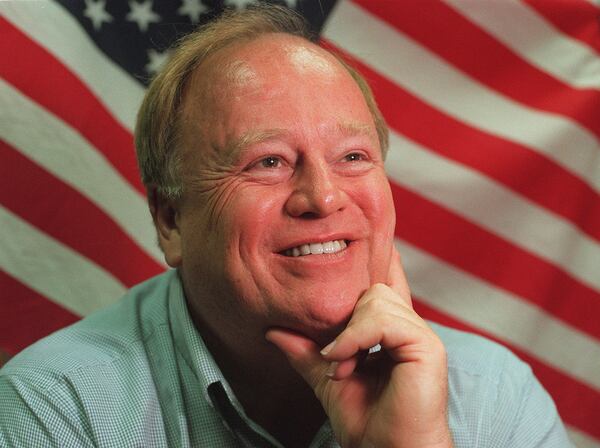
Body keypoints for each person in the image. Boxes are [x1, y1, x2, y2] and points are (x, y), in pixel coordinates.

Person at [0, 5, 572, 447]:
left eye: (352, 157)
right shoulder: (58, 407)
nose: (323, 197)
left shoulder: (496, 396)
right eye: (267, 162)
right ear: (170, 220)